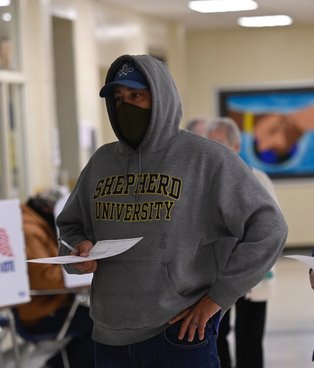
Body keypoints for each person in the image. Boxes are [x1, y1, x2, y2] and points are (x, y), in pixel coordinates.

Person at [56, 54, 288, 367]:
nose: (126, 106)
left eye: (136, 96)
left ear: (160, 97)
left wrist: (217, 299)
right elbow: (71, 228)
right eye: (118, 99)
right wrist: (77, 253)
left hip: (179, 333)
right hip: (109, 335)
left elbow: (269, 228)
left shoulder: (207, 159)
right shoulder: (102, 162)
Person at [207, 117, 279, 368]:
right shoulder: (207, 182)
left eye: (219, 143)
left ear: (236, 146)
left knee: (249, 340)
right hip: (216, 278)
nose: (214, 149)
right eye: (209, 143)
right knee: (216, 338)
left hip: (252, 277)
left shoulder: (257, 179)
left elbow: (272, 230)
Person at [17, 194, 94, 368]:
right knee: (101, 326)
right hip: (40, 313)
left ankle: (57, 364)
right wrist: (79, 272)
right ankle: (55, 365)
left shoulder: (35, 224)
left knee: (100, 321)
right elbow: (43, 278)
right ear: (48, 211)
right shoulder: (29, 231)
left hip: (50, 305)